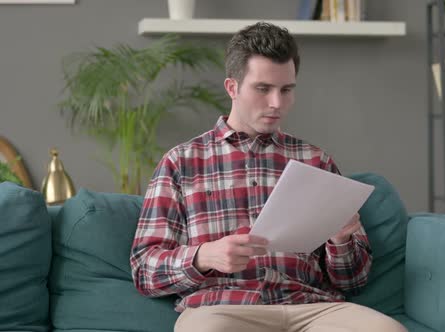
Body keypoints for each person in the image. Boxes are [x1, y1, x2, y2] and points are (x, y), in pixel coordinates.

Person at [130, 22, 407, 332]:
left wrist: (341, 241)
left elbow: (353, 281)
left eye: (286, 90)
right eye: (263, 88)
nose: (276, 103)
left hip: (312, 307)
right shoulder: (181, 162)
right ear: (232, 88)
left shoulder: (315, 161)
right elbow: (144, 271)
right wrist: (204, 256)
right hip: (223, 309)